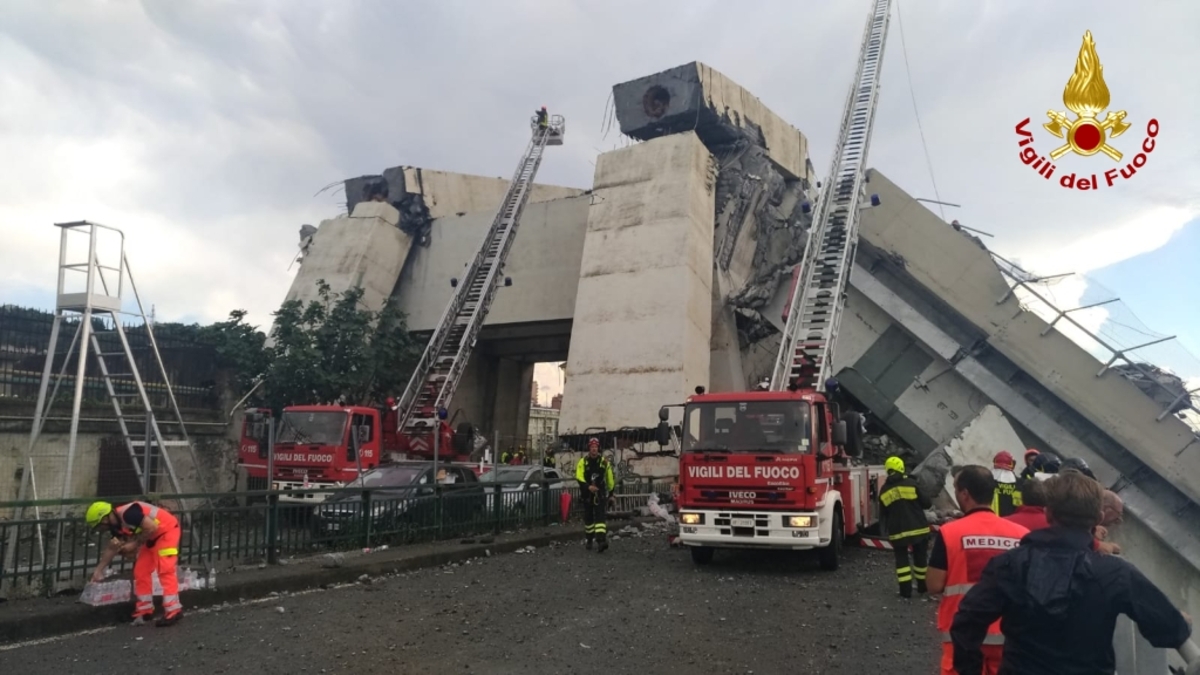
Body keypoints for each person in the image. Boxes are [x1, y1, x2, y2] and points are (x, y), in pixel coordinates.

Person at [951, 470, 1192, 675]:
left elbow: (965, 624)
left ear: (1048, 513)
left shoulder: (1008, 565)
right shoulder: (1115, 573)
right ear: (1098, 518)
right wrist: (1182, 623)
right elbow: (1169, 629)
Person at [926, 466, 1030, 675]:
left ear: (965, 494)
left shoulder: (950, 533)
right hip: (1009, 635)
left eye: (956, 489)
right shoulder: (1022, 536)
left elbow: (934, 584)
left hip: (963, 634)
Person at [86, 500, 184, 627]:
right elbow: (112, 548)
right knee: (141, 571)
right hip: (151, 536)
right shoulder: (116, 526)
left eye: (99, 526)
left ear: (104, 518)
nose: (101, 529)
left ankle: (174, 610)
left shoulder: (128, 514)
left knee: (165, 570)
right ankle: (145, 609)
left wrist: (133, 544)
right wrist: (99, 570)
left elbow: (152, 527)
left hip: (166, 531)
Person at [880, 456, 933, 598]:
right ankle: (922, 586)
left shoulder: (884, 490)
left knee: (901, 560)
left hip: (898, 532)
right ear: (901, 468)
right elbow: (927, 503)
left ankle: (905, 591)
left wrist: (884, 532)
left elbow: (883, 514)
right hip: (918, 528)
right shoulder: (911, 483)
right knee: (920, 558)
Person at [575, 437, 615, 552]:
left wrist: (611, 493)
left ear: (598, 448)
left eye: (596, 447)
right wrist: (588, 487)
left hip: (600, 494)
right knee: (588, 518)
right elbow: (579, 477)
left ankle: (601, 541)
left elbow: (610, 479)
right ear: (589, 448)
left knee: (600, 517)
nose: (594, 449)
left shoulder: (604, 462)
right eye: (592, 447)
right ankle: (589, 540)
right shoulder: (583, 462)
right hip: (587, 494)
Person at [990, 452, 1022, 517]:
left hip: (991, 518)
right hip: (1013, 521)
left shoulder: (987, 480)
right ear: (1012, 464)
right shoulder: (1020, 483)